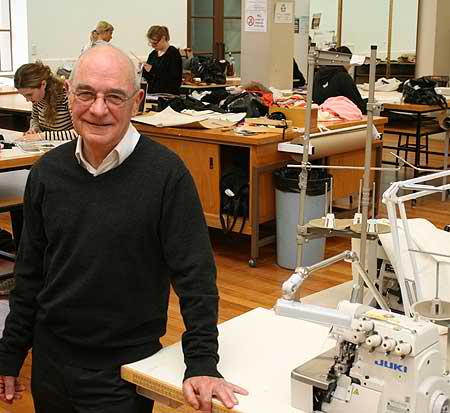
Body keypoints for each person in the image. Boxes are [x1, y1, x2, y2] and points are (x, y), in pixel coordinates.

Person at [0, 44, 247, 413]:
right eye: (86, 93)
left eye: (114, 96)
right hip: (51, 363)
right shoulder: (47, 173)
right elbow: (31, 272)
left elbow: (195, 277)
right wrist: (10, 354)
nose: (98, 109)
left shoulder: (167, 176)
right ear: (68, 94)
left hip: (123, 371)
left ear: (137, 101)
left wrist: (201, 363)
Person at [14, 62, 77, 141]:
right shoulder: (38, 98)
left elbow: (78, 133)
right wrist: (34, 128)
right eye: (24, 96)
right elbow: (34, 118)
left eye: (29, 94)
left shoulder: (66, 96)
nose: (27, 100)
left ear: (43, 84)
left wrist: (41, 136)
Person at [312, 46, 367, 113]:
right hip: (339, 116)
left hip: (320, 114)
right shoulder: (343, 77)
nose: (350, 65)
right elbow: (359, 105)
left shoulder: (318, 74)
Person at [142, 25, 182, 94]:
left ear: (163, 38)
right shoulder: (152, 55)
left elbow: (174, 78)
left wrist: (152, 70)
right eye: (151, 43)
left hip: (168, 95)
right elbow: (149, 78)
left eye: (155, 43)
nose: (152, 46)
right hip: (152, 94)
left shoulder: (173, 53)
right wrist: (144, 70)